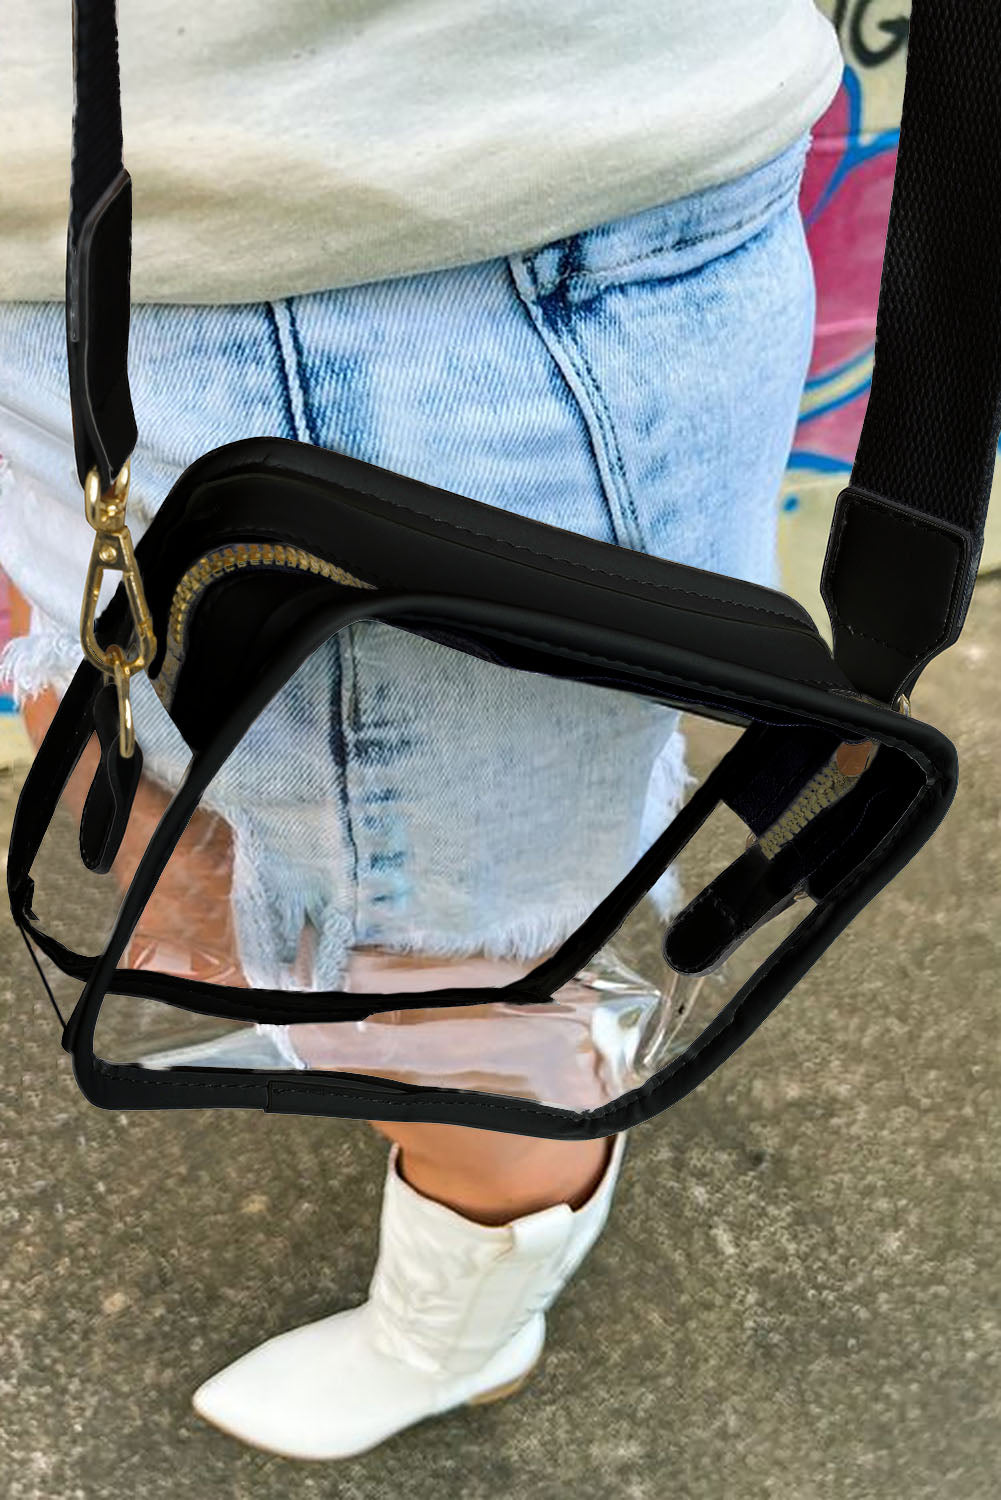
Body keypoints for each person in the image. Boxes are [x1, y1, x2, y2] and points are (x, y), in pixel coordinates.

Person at [0, 0, 843, 1463]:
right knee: (155, 828)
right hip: (72, 255)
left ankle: (466, 1316)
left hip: (417, 257)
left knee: (451, 1000)